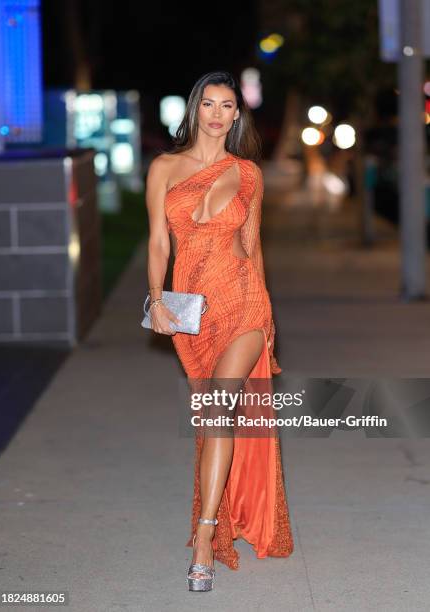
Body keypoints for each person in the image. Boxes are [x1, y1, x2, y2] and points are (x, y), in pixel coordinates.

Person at [145, 70, 294, 592]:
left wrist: (267, 318)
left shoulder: (248, 173)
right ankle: (215, 521)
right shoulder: (164, 167)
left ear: (237, 114)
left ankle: (207, 538)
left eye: (226, 105)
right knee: (211, 420)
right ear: (195, 109)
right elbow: (158, 243)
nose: (215, 113)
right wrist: (157, 299)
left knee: (220, 409)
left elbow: (253, 248)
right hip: (193, 312)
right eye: (207, 103)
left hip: (243, 303)